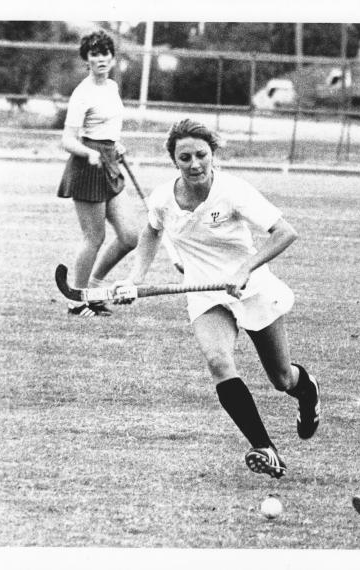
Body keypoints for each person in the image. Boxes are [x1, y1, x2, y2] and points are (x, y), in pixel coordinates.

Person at [113, 118, 320, 479]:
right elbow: (151, 233)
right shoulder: (164, 197)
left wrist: (245, 270)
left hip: (251, 288)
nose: (194, 164)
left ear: (213, 154)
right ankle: (264, 448)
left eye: (201, 155)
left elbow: (285, 233)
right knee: (218, 361)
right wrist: (134, 278)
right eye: (185, 157)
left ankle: (307, 392)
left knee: (282, 378)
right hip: (205, 294)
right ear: (174, 160)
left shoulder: (233, 191)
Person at [57, 30, 139, 317]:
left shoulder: (112, 87)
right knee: (94, 237)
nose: (101, 58)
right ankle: (77, 301)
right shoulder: (83, 93)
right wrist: (90, 152)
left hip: (109, 161)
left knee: (130, 236)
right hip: (88, 166)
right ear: (87, 59)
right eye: (94, 54)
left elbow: (109, 128)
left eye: (105, 53)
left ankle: (94, 287)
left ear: (113, 58)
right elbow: (67, 139)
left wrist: (116, 144)